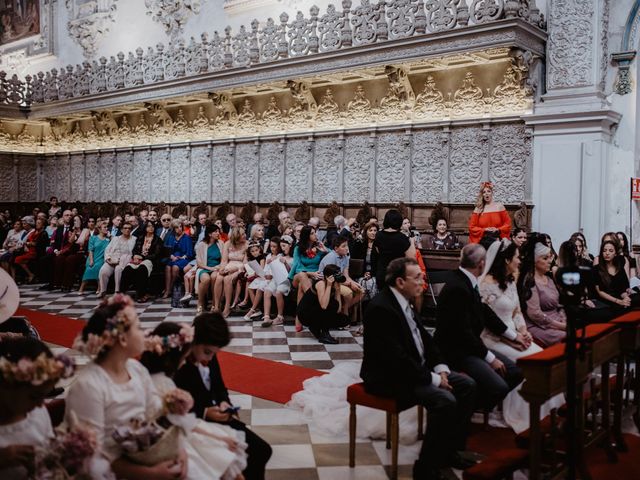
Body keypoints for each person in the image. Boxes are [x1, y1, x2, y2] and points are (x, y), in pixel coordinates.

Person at [362, 257, 477, 479]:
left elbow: (426, 340)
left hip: (414, 370)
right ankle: (425, 467)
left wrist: (441, 368)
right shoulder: (381, 308)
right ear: (400, 281)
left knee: (468, 386)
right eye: (417, 278)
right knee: (445, 400)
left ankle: (448, 451)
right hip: (390, 377)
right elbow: (396, 359)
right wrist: (435, 380)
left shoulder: (406, 301)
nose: (422, 282)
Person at [67, 295, 189, 480]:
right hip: (112, 470)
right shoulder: (88, 386)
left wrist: (177, 449)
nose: (145, 333)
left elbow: (154, 412)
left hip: (144, 454)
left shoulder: (136, 369)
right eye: (138, 328)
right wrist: (150, 474)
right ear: (122, 339)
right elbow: (93, 455)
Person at [140, 322, 248, 480]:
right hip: (176, 434)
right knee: (226, 461)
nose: (184, 362)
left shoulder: (155, 377)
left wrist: (224, 403)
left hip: (186, 424)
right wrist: (218, 435)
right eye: (184, 357)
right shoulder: (165, 383)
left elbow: (219, 387)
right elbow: (182, 421)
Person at [479, 239, 564, 433]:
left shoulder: (509, 281)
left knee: (542, 357)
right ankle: (526, 415)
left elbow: (517, 311)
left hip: (515, 335)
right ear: (507, 259)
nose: (520, 260)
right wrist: (511, 339)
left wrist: (524, 332)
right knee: (528, 361)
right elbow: (486, 323)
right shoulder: (485, 286)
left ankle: (551, 412)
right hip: (493, 340)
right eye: (517, 257)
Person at [174, 313, 272, 480]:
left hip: (217, 416)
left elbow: (219, 386)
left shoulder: (209, 356)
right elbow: (171, 406)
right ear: (194, 340)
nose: (210, 358)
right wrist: (205, 412)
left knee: (262, 450)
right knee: (240, 456)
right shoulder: (178, 364)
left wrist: (224, 402)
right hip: (192, 423)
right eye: (207, 352)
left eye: (214, 353)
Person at [434, 244, 522, 412]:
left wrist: (513, 335)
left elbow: (484, 312)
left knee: (515, 372)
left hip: (469, 347)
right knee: (499, 387)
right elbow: (463, 333)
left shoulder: (467, 280)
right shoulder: (458, 287)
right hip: (456, 351)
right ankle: (465, 409)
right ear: (481, 263)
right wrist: (490, 358)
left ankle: (473, 405)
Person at [0, 337, 75, 479]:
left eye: (44, 396)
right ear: (5, 386)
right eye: (34, 396)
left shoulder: (37, 412)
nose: (41, 404)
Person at [516, 239, 567, 347]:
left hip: (556, 319)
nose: (549, 261)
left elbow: (558, 304)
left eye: (550, 257)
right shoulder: (530, 281)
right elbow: (535, 314)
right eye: (545, 258)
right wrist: (561, 326)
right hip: (537, 325)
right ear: (534, 261)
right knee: (565, 337)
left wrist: (564, 318)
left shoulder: (549, 279)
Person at [297, 264, 351, 344]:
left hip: (316, 311)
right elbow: (324, 305)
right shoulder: (321, 284)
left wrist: (337, 290)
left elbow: (338, 309)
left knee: (344, 319)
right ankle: (324, 334)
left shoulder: (335, 285)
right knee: (330, 305)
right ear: (327, 276)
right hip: (305, 314)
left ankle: (315, 327)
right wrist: (329, 286)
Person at [288, 225, 328, 332]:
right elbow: (297, 266)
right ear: (306, 235)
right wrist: (311, 273)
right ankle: (315, 306)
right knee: (302, 276)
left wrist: (325, 250)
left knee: (303, 285)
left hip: (314, 277)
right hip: (299, 275)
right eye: (312, 233)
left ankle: (299, 317)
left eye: (315, 232)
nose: (315, 235)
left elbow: (332, 255)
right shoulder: (298, 248)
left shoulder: (319, 247)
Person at [318, 234, 364, 313]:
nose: (347, 248)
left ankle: (343, 308)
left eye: (347, 246)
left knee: (361, 291)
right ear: (336, 248)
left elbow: (346, 275)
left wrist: (354, 283)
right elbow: (332, 278)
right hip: (328, 282)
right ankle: (344, 315)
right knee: (348, 293)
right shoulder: (331, 257)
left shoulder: (345, 257)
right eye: (343, 246)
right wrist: (349, 284)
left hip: (340, 281)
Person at [120, 222, 163, 303]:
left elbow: (156, 254)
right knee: (127, 269)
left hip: (149, 260)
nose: (151, 228)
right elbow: (135, 250)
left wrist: (143, 257)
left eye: (152, 226)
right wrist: (135, 256)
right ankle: (122, 294)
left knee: (141, 269)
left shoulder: (158, 239)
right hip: (137, 259)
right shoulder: (140, 238)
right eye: (149, 226)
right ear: (145, 228)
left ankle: (141, 294)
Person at [374, 209, 415, 290]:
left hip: (382, 274)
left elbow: (378, 251)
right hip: (396, 275)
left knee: (384, 299)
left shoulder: (378, 235)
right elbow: (411, 258)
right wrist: (412, 242)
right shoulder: (402, 238)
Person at [594, 239, 640, 311]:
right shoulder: (596, 269)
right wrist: (618, 301)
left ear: (615, 253)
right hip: (606, 301)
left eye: (610, 251)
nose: (607, 253)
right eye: (604, 250)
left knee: (636, 298)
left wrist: (625, 298)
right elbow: (600, 292)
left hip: (620, 298)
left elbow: (623, 289)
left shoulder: (619, 268)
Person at [214, 227, 248, 317]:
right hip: (229, 265)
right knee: (219, 277)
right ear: (236, 236)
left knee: (227, 279)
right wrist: (222, 268)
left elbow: (245, 263)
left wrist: (234, 269)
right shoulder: (227, 244)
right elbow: (224, 260)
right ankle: (217, 306)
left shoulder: (247, 244)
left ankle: (227, 306)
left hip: (240, 268)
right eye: (243, 234)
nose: (245, 235)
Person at [261, 236, 293, 327]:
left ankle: (280, 316)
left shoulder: (293, 257)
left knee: (278, 291)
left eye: (284, 246)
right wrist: (270, 263)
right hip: (276, 278)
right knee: (267, 290)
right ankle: (266, 316)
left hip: (286, 280)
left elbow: (291, 271)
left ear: (290, 246)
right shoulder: (279, 256)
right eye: (281, 246)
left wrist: (286, 263)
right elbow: (274, 267)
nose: (282, 248)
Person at [191, 224, 224, 313]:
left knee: (214, 278)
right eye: (216, 232)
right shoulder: (202, 244)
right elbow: (199, 263)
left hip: (216, 268)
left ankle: (214, 303)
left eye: (218, 231)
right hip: (204, 268)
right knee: (206, 279)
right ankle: (200, 302)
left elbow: (224, 259)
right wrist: (209, 268)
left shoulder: (220, 243)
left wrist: (218, 267)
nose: (218, 233)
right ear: (210, 234)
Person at [98, 222, 136, 297]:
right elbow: (107, 249)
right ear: (121, 230)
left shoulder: (134, 239)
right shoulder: (115, 238)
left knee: (118, 269)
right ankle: (103, 290)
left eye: (129, 228)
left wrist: (120, 261)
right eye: (125, 228)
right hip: (112, 259)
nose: (127, 230)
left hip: (124, 260)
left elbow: (132, 253)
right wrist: (109, 259)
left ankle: (117, 291)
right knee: (103, 270)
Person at [163, 219, 195, 299]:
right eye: (177, 227)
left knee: (175, 267)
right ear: (173, 229)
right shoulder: (171, 237)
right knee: (167, 267)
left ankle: (170, 289)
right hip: (172, 258)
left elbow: (190, 253)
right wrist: (171, 256)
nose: (179, 228)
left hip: (183, 258)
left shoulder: (187, 237)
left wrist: (181, 257)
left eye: (180, 226)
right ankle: (167, 290)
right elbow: (166, 249)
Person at [350, 220, 379, 300]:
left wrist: (371, 273)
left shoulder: (379, 244)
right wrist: (363, 273)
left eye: (375, 230)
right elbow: (354, 262)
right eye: (371, 230)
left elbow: (380, 263)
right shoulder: (359, 244)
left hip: (375, 274)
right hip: (360, 274)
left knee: (372, 284)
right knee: (363, 283)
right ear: (366, 232)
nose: (373, 233)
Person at [79, 220, 110, 294]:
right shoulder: (93, 238)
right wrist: (91, 260)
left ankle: (100, 288)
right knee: (89, 268)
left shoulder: (108, 240)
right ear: (99, 229)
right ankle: (81, 288)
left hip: (101, 258)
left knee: (99, 267)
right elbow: (90, 250)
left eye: (107, 227)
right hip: (92, 257)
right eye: (104, 227)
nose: (107, 229)